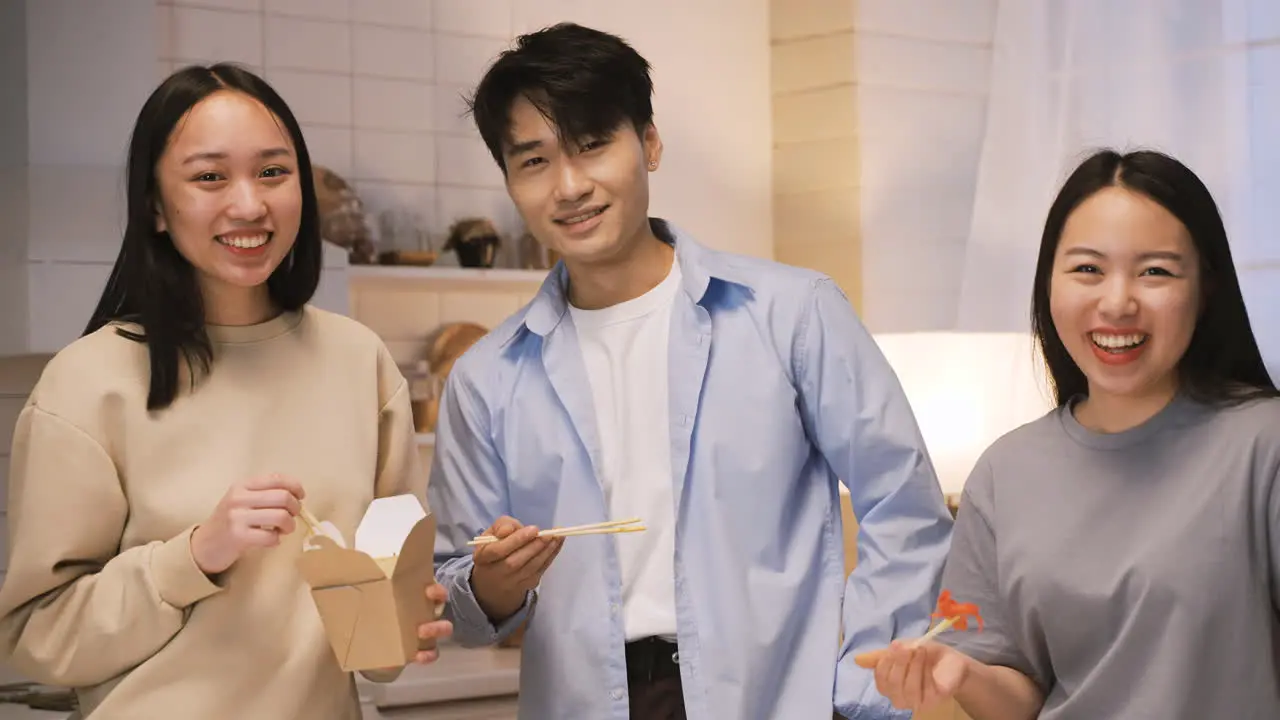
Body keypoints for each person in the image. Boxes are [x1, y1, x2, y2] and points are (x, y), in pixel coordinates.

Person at [427, 22, 954, 720]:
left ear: (648, 142)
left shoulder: (792, 314)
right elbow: (457, 597)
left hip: (772, 701)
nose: (570, 185)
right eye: (534, 161)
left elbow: (905, 505)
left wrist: (858, 692)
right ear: (510, 181)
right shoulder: (486, 377)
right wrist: (494, 587)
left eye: (592, 145)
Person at [0, 64, 453, 719]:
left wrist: (404, 623)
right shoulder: (88, 383)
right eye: (209, 177)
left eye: (273, 171)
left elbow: (379, 653)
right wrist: (195, 555)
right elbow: (37, 634)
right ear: (155, 206)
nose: (248, 204)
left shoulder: (360, 363)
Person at [866, 149, 1280, 719]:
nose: (1117, 302)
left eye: (1155, 271)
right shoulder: (1005, 473)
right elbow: (1020, 694)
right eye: (1088, 269)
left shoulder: (1264, 445)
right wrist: (963, 672)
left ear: (1205, 288)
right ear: (1049, 282)